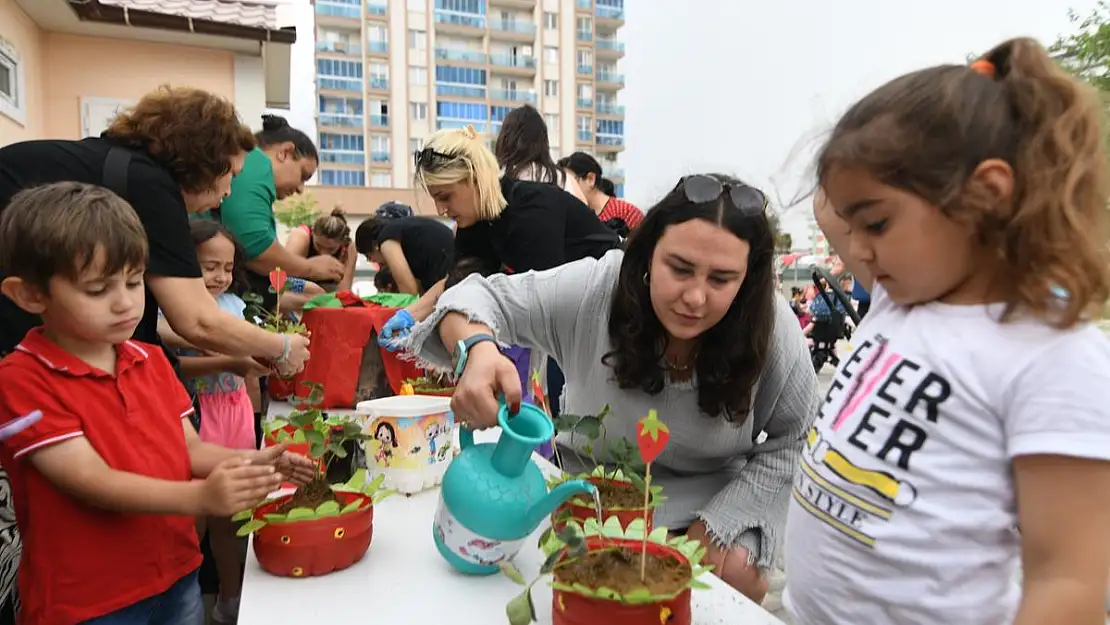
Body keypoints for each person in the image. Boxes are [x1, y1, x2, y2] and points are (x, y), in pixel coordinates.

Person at [785, 39, 1110, 625]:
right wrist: (961, 104)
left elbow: (1069, 581)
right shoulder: (900, 291)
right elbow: (829, 203)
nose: (855, 247)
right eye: (856, 224)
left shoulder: (1055, 354)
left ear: (985, 194)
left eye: (878, 221)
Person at [404, 173, 819, 602]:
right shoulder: (598, 288)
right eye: (679, 268)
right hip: (591, 496)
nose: (695, 297)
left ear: (747, 280)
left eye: (721, 279)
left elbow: (800, 436)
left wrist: (723, 521)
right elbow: (474, 297)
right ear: (648, 253)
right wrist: (477, 349)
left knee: (732, 574)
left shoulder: (769, 326)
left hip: (710, 500)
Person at [0, 182, 317, 625]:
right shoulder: (23, 378)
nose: (125, 303)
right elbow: (89, 479)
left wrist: (260, 461)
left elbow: (189, 450)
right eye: (97, 290)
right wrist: (200, 497)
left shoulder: (147, 358)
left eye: (134, 282)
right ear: (31, 295)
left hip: (175, 574)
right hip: (88, 600)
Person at [0, 87, 310, 370]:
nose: (229, 191)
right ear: (206, 160)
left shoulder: (118, 165)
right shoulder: (147, 184)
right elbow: (197, 320)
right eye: (233, 174)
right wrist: (281, 347)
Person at [379, 126, 620, 346]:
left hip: (613, 301)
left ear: (475, 179)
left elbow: (544, 301)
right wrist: (410, 316)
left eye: (445, 196)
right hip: (574, 314)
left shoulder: (531, 209)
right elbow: (458, 281)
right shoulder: (477, 222)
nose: (441, 210)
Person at [172, 221, 270, 625]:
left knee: (233, 518)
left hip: (236, 413)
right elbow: (176, 368)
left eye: (226, 267)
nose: (219, 276)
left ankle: (231, 600)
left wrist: (255, 411)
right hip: (197, 415)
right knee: (191, 523)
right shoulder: (176, 310)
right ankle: (185, 601)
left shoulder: (234, 306)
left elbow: (248, 374)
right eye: (208, 266)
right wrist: (232, 360)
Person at [213, 114, 343, 310]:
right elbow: (255, 247)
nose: (300, 189)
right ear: (285, 152)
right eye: (303, 175)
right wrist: (311, 268)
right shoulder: (257, 161)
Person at [494, 104, 588, 204]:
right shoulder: (564, 180)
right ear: (543, 142)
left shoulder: (496, 180)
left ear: (505, 140)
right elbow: (586, 216)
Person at [354, 215, 454, 295]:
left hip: (450, 274)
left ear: (375, 246)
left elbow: (409, 292)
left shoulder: (386, 240)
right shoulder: (404, 230)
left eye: (369, 257)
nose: (373, 261)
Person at [559, 151, 644, 232]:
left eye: (569, 182)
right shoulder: (570, 218)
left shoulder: (627, 213)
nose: (564, 190)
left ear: (590, 179)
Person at [285, 208, 358, 292]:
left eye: (331, 249)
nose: (323, 254)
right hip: (295, 287)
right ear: (313, 233)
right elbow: (281, 278)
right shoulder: (301, 237)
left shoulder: (348, 248)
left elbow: (344, 290)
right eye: (319, 246)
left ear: (341, 243)